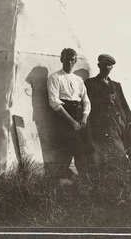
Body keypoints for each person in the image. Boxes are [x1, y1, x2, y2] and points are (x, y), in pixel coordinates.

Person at [85, 54, 131, 167]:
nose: (107, 67)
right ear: (99, 65)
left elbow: (125, 106)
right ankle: (118, 181)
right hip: (107, 125)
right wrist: (104, 99)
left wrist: (130, 121)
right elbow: (87, 104)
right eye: (105, 65)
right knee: (119, 156)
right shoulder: (90, 83)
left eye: (110, 65)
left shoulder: (116, 85)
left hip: (122, 123)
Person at [47, 48, 91, 179]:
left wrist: (84, 117)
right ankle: (75, 177)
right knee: (73, 145)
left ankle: (87, 178)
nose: (70, 62)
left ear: (76, 61)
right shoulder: (54, 77)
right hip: (64, 114)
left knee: (87, 145)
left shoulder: (78, 80)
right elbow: (54, 102)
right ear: (61, 59)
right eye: (67, 59)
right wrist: (72, 122)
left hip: (78, 112)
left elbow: (86, 100)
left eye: (72, 60)